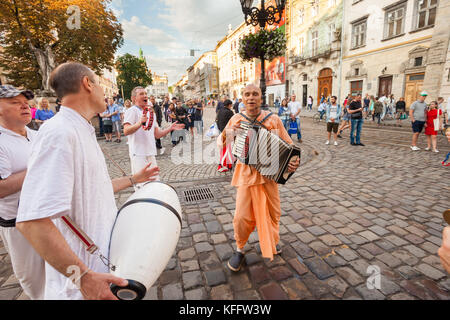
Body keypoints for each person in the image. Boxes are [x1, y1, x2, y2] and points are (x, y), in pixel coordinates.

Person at [15, 62, 161, 300]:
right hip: (81, 288)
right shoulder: (59, 132)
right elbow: (31, 221)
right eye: (101, 85)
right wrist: (84, 278)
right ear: (87, 84)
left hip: (101, 272)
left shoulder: (79, 128)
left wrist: (135, 179)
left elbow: (93, 191)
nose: (107, 93)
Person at [217, 84, 300, 271]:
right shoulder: (236, 119)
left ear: (260, 99)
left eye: (255, 94)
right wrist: (230, 133)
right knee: (241, 217)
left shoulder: (274, 120)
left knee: (273, 212)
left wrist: (293, 161)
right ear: (242, 98)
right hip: (246, 175)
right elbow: (223, 144)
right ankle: (239, 249)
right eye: (247, 94)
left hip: (270, 176)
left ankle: (272, 240)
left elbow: (289, 145)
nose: (251, 97)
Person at [0, 85, 45, 300]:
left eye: (25, 101)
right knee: (35, 281)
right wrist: (40, 167)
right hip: (19, 223)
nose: (24, 105)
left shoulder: (38, 135)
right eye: (15, 102)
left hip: (48, 215)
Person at [124, 87, 184, 186]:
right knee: (142, 185)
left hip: (150, 153)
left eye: (145, 93)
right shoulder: (132, 111)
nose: (145, 96)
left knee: (155, 183)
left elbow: (157, 134)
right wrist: (139, 123)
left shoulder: (151, 113)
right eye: (141, 94)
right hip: (138, 154)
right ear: (133, 98)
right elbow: (126, 130)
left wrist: (170, 128)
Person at [216, 99, 235, 172]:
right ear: (229, 105)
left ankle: (228, 163)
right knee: (227, 149)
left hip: (221, 132)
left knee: (223, 149)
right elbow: (234, 122)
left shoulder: (220, 110)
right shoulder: (229, 112)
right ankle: (226, 164)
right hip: (228, 132)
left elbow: (217, 120)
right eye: (231, 105)